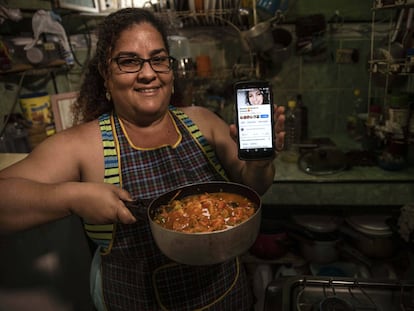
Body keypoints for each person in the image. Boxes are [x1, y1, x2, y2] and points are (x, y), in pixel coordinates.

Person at [0, 8, 285, 311]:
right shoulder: (82, 145)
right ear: (105, 77)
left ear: (170, 73)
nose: (148, 73)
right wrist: (71, 196)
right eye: (129, 61)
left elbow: (255, 187)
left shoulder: (203, 121)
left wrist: (259, 165)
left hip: (227, 296)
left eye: (159, 59)